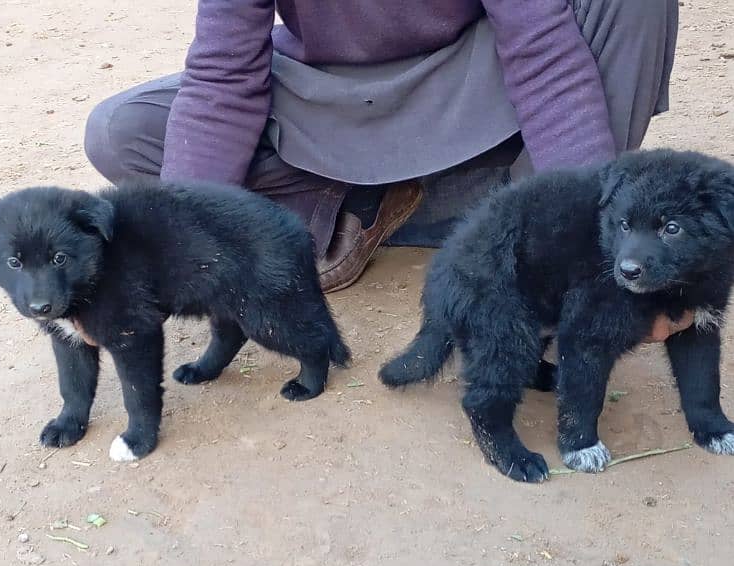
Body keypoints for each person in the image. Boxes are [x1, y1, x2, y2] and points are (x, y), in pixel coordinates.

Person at [84, 0, 689, 341]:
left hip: (464, 82)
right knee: (123, 133)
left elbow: (544, 56)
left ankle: (534, 252)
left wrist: (593, 255)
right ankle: (374, 202)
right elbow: (222, 77)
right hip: (326, 97)